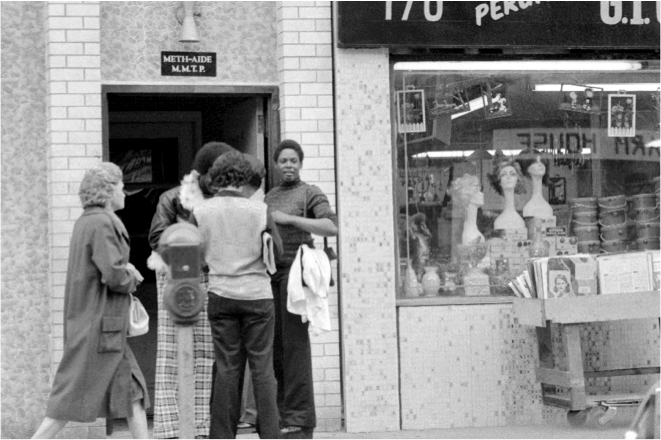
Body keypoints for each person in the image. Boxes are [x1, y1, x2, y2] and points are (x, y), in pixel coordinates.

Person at [30, 163, 149, 440]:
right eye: (121, 186)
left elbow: (103, 267)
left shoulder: (87, 221)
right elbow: (113, 274)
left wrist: (124, 270)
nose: (125, 192)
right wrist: (131, 276)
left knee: (133, 390)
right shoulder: (102, 222)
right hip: (101, 327)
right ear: (108, 191)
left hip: (99, 325)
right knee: (70, 396)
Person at [148, 141, 236, 440]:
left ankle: (199, 426)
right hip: (175, 278)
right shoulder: (171, 198)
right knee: (171, 353)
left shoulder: (225, 201)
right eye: (214, 174)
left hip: (214, 280)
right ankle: (170, 428)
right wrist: (190, 233)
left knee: (206, 354)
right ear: (200, 172)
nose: (219, 181)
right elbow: (158, 236)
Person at [192, 151, 283, 440]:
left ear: (215, 178)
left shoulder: (201, 211)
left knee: (227, 368)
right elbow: (277, 254)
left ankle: (221, 436)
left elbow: (197, 258)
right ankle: (270, 434)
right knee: (262, 369)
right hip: (257, 295)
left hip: (220, 293)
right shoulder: (260, 210)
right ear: (244, 177)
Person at [265, 139, 338, 440]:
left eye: (293, 160)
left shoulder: (309, 192)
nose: (289, 165)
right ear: (276, 164)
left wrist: (290, 219)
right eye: (283, 160)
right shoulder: (269, 195)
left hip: (296, 275)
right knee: (275, 349)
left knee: (294, 347)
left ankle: (299, 418)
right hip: (270, 275)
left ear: (301, 164)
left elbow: (331, 226)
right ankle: (282, 414)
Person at [488, 151, 526, 230]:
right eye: (504, 174)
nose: (508, 177)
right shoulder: (499, 222)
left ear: (517, 180)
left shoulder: (519, 221)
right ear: (499, 181)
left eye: (512, 174)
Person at [517, 148, 553, 219]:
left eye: (542, 162)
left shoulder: (546, 207)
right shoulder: (529, 207)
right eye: (535, 162)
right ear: (526, 168)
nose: (540, 165)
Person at [449, 173, 485, 245]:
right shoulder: (470, 234)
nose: (482, 194)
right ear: (467, 195)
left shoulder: (470, 228)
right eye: (477, 190)